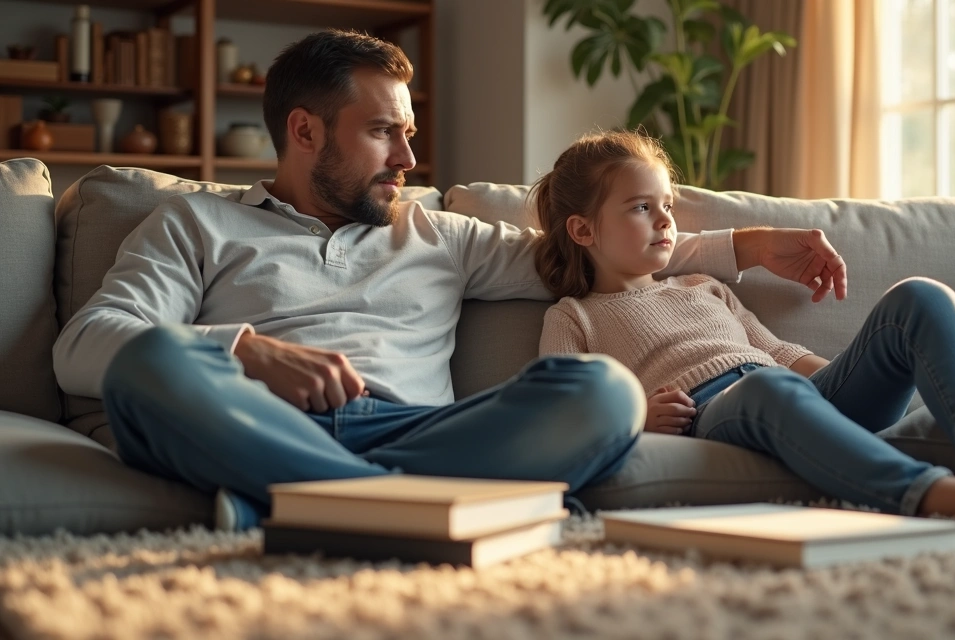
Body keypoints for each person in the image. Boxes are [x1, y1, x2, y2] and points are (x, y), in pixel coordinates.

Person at [51, 30, 853, 532]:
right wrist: (248, 352)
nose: (407, 159)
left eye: (407, 134)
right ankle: (398, 510)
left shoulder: (439, 233)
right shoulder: (196, 223)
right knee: (152, 365)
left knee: (600, 392)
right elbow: (86, 347)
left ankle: (311, 506)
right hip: (261, 422)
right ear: (303, 131)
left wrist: (745, 243)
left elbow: (596, 250)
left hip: (419, 434)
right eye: (381, 133)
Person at [534, 130, 955, 525]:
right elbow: (556, 415)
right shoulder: (573, 316)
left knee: (920, 297)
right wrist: (637, 418)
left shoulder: (704, 285)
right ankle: (944, 497)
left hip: (794, 393)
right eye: (640, 208)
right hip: (718, 414)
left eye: (668, 205)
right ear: (583, 230)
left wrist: (851, 380)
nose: (665, 221)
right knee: (765, 385)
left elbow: (777, 350)